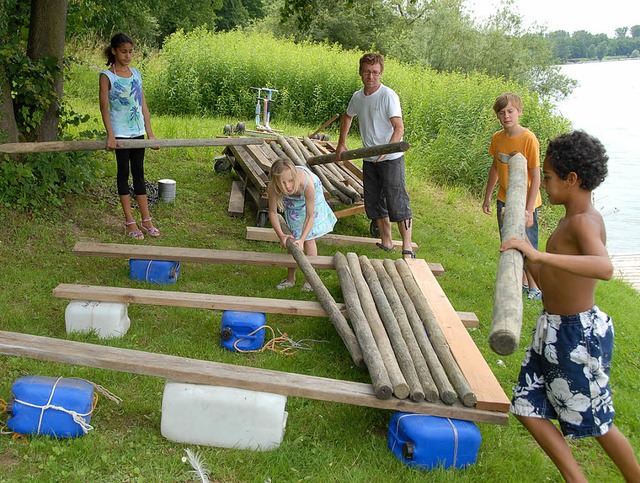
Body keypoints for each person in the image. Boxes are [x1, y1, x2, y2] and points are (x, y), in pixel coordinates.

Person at [500, 130, 640, 482]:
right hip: (553, 327)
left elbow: (604, 267)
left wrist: (538, 253)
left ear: (572, 179)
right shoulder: (567, 221)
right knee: (527, 407)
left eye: (547, 177)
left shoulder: (583, 222)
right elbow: (551, 285)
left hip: (578, 335)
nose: (543, 184)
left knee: (597, 421)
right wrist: (526, 255)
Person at [336, 53, 415, 259]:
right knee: (374, 200)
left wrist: (386, 150)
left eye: (375, 73)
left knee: (396, 200)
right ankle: (386, 241)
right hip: (369, 157)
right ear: (361, 73)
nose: (371, 76)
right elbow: (347, 117)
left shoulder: (388, 95)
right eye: (367, 72)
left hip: (390, 158)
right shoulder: (357, 97)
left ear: (381, 73)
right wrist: (341, 143)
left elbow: (399, 128)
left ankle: (407, 247)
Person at [99, 32, 160, 240]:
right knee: (123, 175)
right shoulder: (107, 76)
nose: (128, 55)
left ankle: (146, 219)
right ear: (114, 51)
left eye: (130, 52)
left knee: (139, 174)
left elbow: (143, 105)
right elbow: (104, 109)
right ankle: (129, 221)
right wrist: (111, 136)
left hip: (138, 132)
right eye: (124, 51)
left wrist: (150, 135)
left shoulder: (136, 74)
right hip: (120, 135)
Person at [483, 93, 542, 300]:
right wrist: (487, 196)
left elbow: (536, 175)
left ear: (519, 112)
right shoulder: (497, 138)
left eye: (510, 111)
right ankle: (520, 282)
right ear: (497, 116)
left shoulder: (528, 139)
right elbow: (495, 167)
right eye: (501, 112)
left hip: (526, 202)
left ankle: (535, 286)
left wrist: (529, 208)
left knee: (528, 244)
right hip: (504, 199)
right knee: (509, 240)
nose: (506, 116)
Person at [267, 158, 337, 291]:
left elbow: (310, 216)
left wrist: (303, 239)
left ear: (294, 177)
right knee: (292, 238)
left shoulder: (307, 184)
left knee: (309, 239)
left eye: (290, 180)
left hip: (310, 199)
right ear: (276, 182)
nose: (287, 186)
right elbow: (272, 213)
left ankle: (310, 280)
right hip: (293, 203)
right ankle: (290, 279)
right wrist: (282, 235)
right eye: (283, 182)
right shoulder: (273, 187)